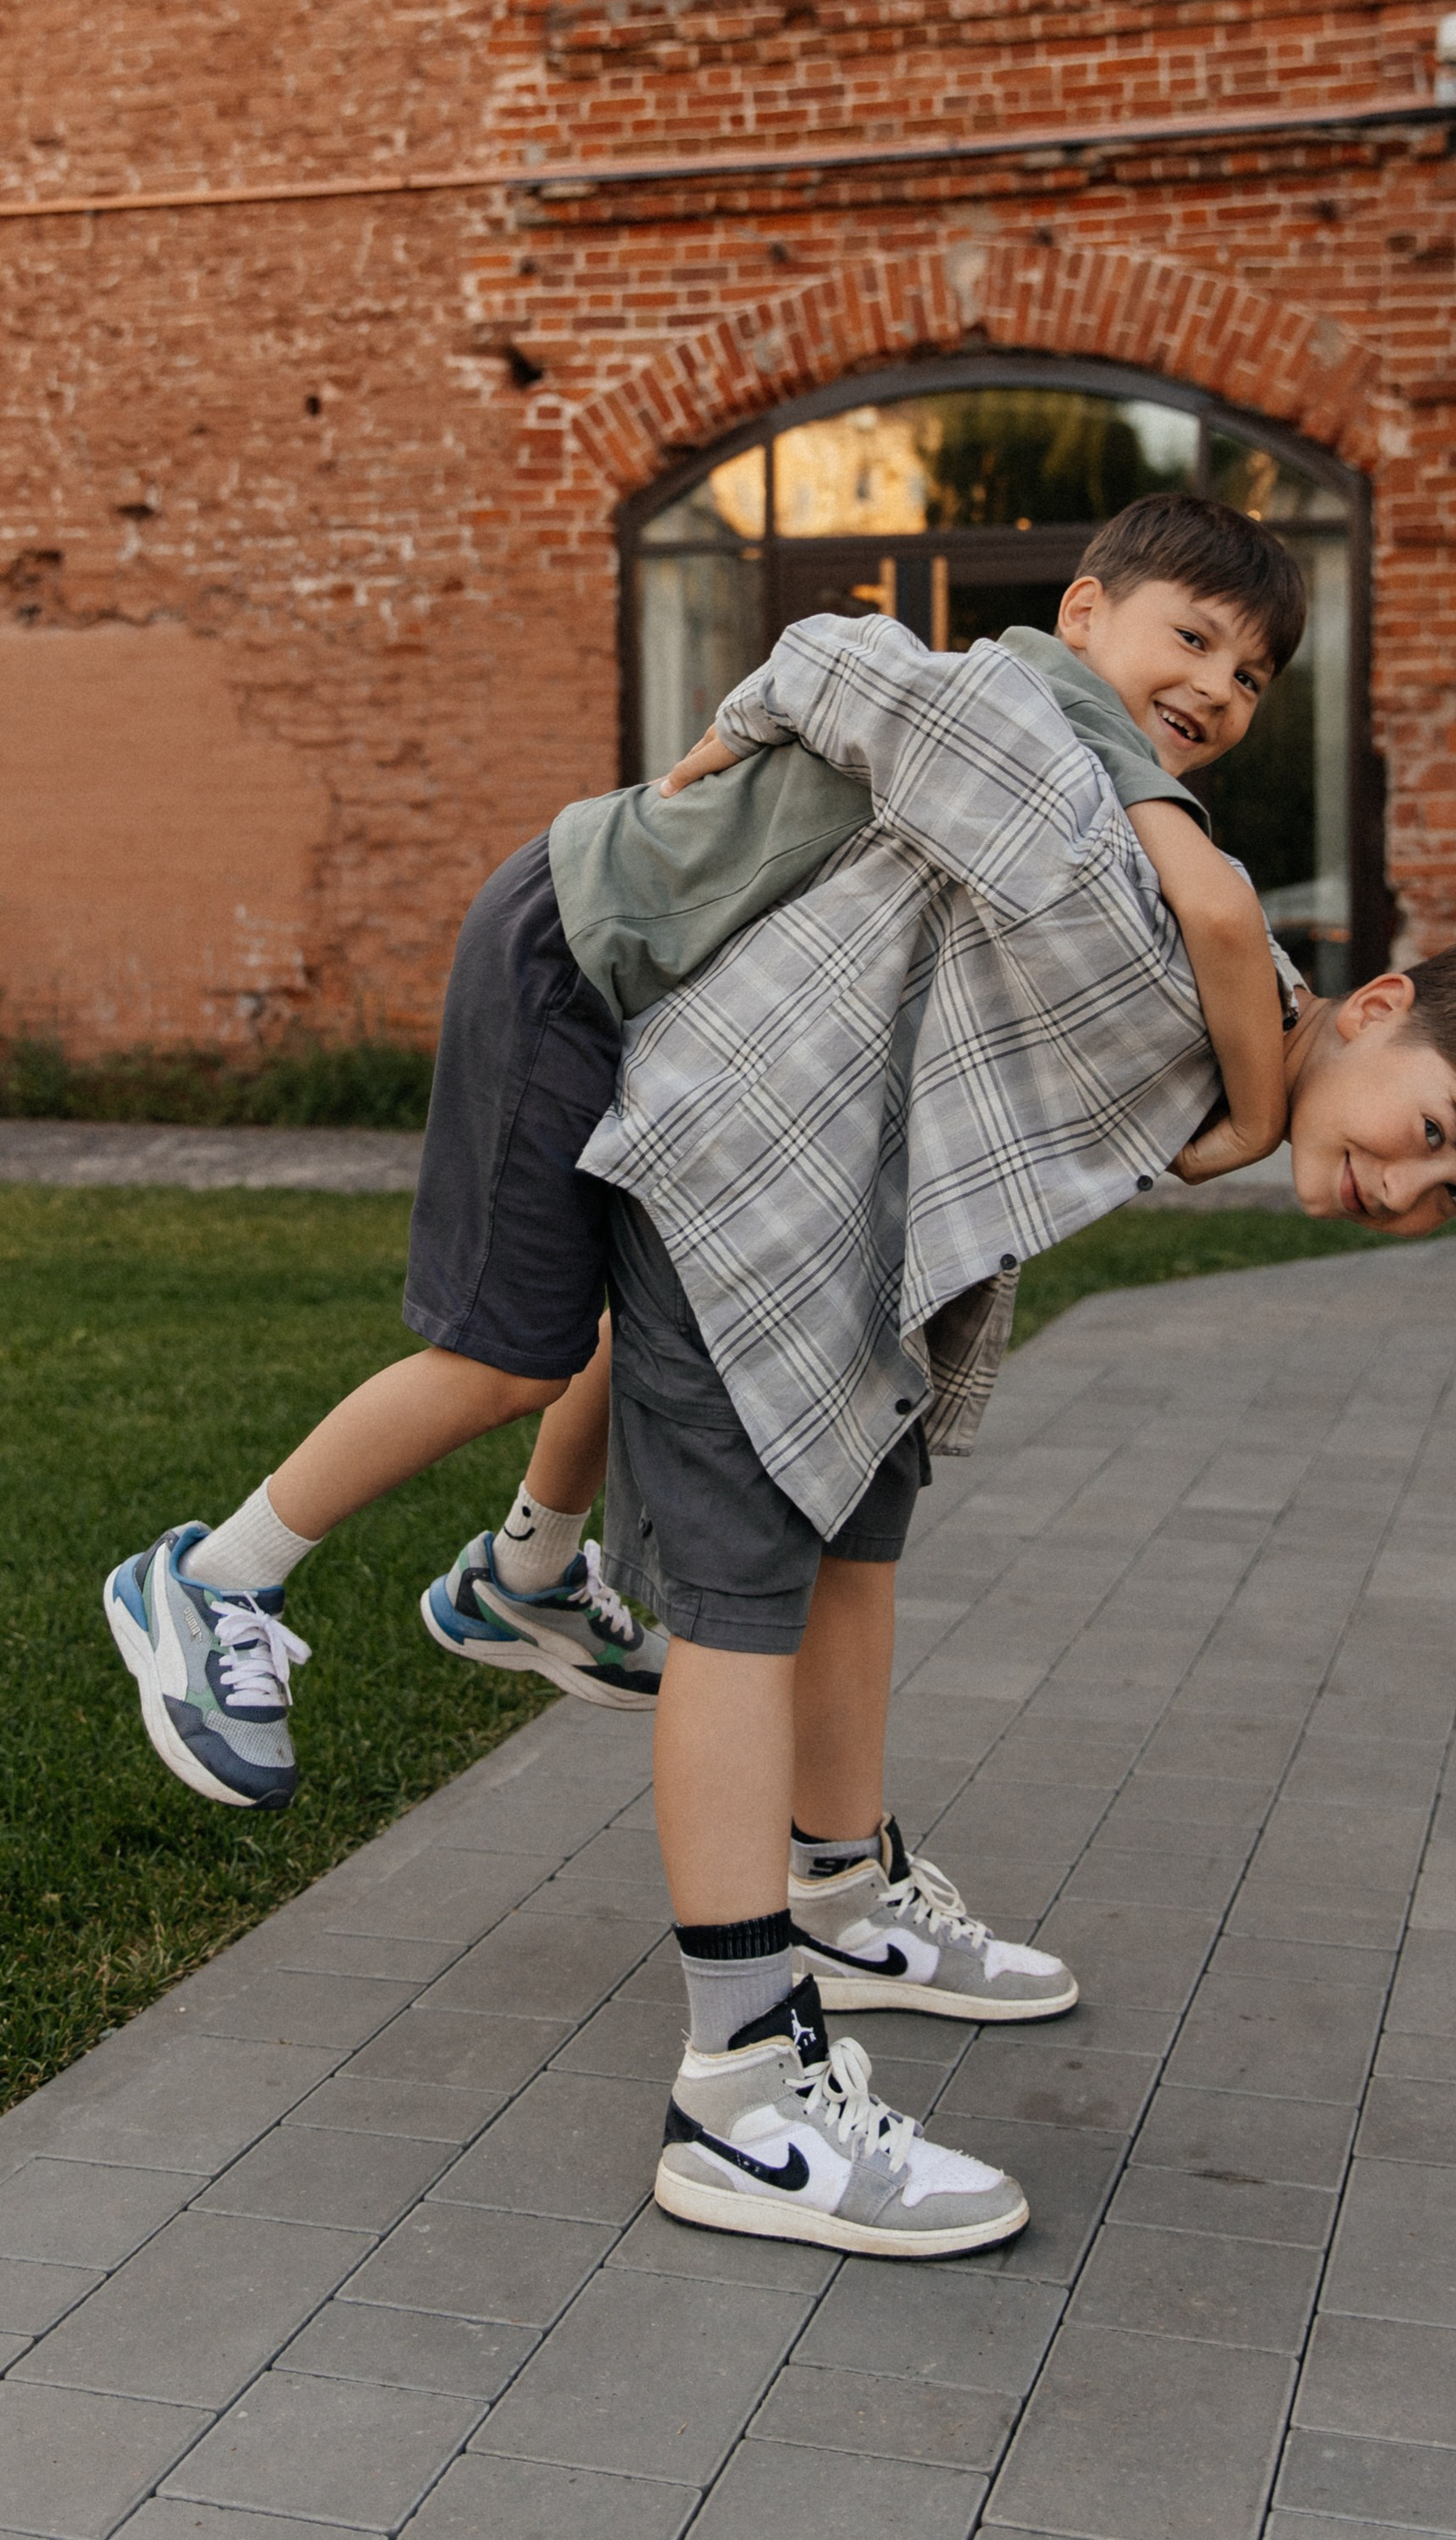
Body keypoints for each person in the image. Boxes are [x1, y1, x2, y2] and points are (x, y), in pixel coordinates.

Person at [568, 607, 1456, 2253]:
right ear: (1379, 1004)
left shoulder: (1230, 1024)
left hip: (844, 1252)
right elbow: (883, 686)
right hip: (747, 1185)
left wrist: (1241, 1115)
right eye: (1426, 1134)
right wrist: (728, 741)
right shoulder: (1164, 904)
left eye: (1450, 1199)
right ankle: (740, 2090)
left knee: (860, 1533)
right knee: (741, 1610)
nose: (1402, 1189)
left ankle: (839, 1897)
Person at [101, 494, 1304, 1851]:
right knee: (508, 1356)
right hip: (579, 949)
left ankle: (528, 1574)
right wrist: (1257, 1121)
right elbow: (1214, 908)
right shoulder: (1060, 712)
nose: (1214, 686)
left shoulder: (1057, 739)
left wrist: (735, 731)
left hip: (637, 970)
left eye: (1251, 676)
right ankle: (214, 1582)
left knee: (662, 1279)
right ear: (1085, 615)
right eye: (1193, 638)